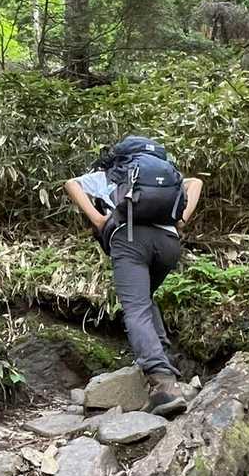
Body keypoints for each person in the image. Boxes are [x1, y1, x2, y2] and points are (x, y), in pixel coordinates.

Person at [64, 150, 203, 416]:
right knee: (144, 299)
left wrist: (99, 220)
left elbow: (72, 184)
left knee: (136, 308)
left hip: (130, 241)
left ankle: (163, 384)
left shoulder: (113, 173)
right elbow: (196, 183)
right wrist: (181, 220)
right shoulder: (166, 176)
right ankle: (164, 362)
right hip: (169, 244)